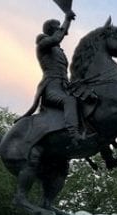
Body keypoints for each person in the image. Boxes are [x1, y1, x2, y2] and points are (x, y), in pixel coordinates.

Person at [23, 10, 83, 141]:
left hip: (64, 86)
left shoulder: (58, 50)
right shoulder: (42, 43)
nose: (60, 30)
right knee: (69, 100)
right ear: (50, 30)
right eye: (57, 28)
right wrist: (67, 20)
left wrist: (68, 21)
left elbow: (61, 34)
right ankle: (73, 132)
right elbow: (58, 37)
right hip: (51, 88)